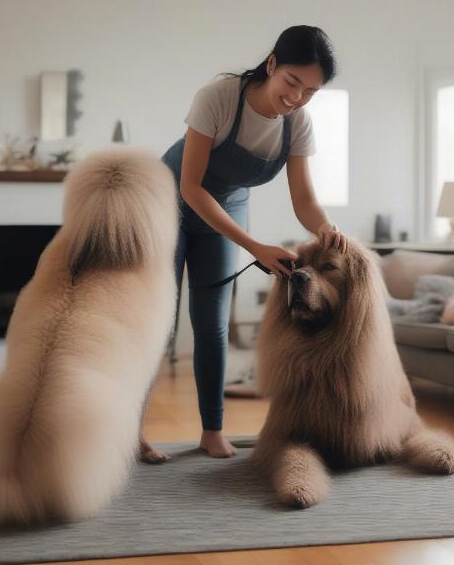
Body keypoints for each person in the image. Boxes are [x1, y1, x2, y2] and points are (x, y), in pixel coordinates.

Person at [144, 25, 348, 460]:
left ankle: (211, 430)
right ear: (272, 64)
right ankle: (132, 430)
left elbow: (305, 199)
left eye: (310, 91)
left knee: (212, 324)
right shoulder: (218, 97)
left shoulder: (298, 125)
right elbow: (191, 187)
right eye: (292, 82)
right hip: (170, 202)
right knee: (155, 323)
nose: (296, 97)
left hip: (227, 208)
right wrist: (255, 247)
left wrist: (325, 228)